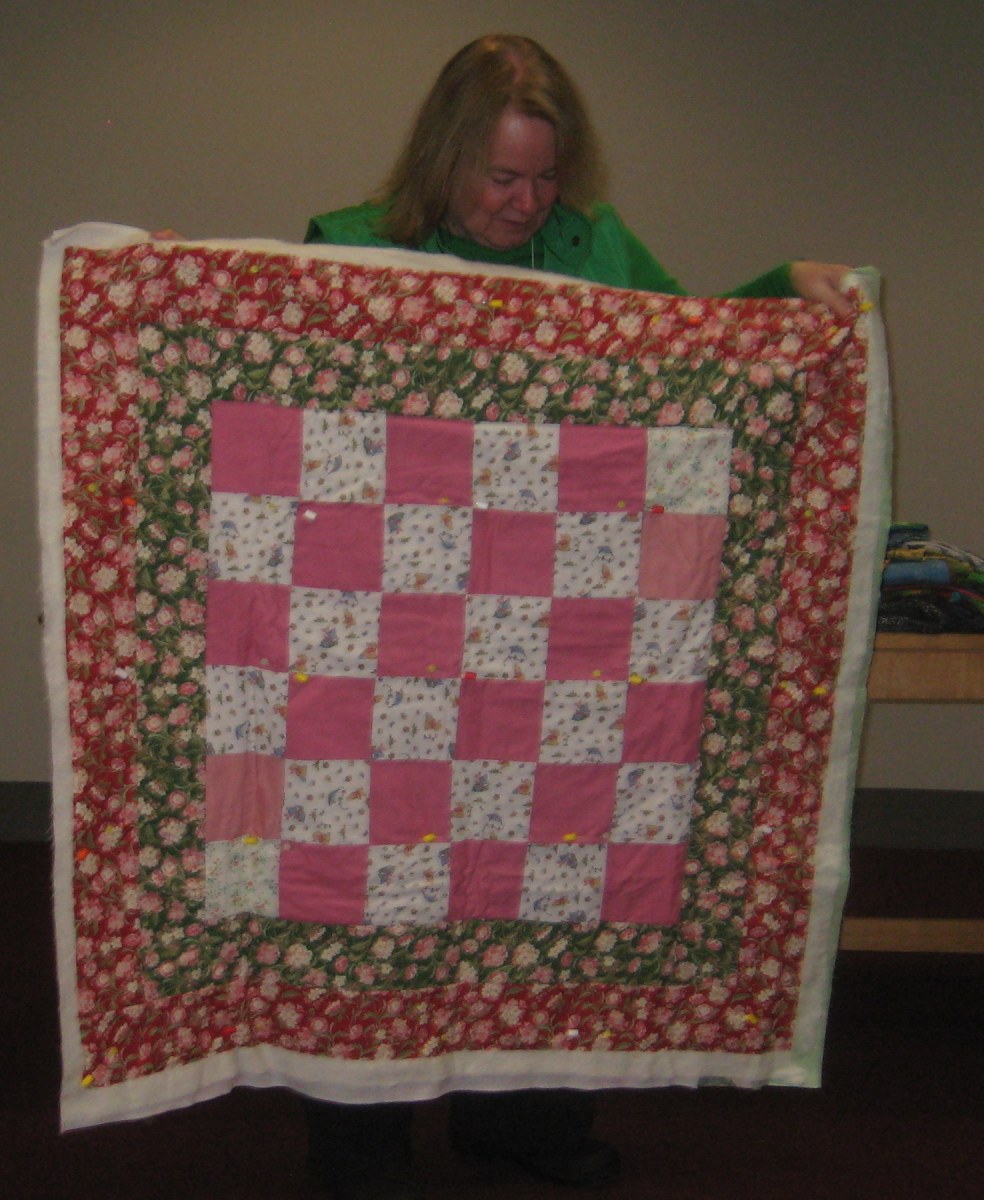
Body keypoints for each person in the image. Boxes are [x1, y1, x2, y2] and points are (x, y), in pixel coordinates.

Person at [301, 32, 852, 1200]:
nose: (526, 203)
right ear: (445, 158)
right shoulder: (354, 249)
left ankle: (526, 1120)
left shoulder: (593, 249)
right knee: (376, 876)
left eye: (546, 177)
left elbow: (698, 358)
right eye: (501, 176)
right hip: (392, 626)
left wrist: (781, 290)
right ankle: (361, 1140)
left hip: (558, 627)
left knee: (546, 870)